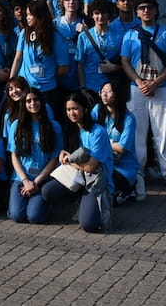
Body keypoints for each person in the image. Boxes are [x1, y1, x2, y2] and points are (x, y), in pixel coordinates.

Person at [119, 0, 166, 190]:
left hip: (162, 88)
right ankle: (137, 172)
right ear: (137, 12)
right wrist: (139, 81)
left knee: (163, 131)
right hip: (137, 89)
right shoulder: (130, 35)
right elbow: (124, 61)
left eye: (149, 7)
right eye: (141, 8)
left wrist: (156, 83)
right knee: (137, 133)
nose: (146, 11)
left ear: (156, 10)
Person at [40, 92, 114, 232]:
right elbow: (67, 152)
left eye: (75, 108)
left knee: (88, 225)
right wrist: (63, 154)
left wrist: (69, 161)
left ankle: (90, 204)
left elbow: (91, 167)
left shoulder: (98, 132)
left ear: (85, 109)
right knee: (47, 191)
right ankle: (78, 199)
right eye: (68, 109)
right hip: (77, 176)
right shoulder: (72, 128)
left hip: (95, 181)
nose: (71, 113)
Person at [6, 88, 63, 224]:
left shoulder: (54, 126)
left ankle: (45, 205)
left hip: (43, 178)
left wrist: (37, 181)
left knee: (35, 217)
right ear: (24, 104)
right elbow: (14, 155)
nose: (33, 103)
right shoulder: (16, 125)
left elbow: (54, 158)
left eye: (36, 100)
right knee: (17, 216)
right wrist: (25, 180)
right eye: (28, 101)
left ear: (42, 102)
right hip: (21, 177)